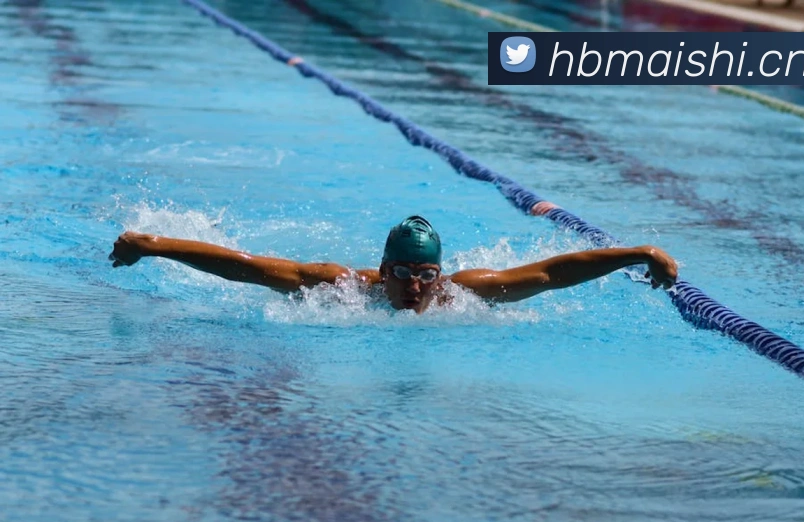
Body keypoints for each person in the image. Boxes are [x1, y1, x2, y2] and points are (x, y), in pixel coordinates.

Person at [109, 215, 678, 314]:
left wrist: (638, 251)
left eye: (425, 275)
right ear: (383, 272)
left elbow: (553, 273)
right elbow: (246, 266)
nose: (414, 287)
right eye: (402, 274)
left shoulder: (462, 294)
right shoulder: (341, 290)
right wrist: (155, 244)